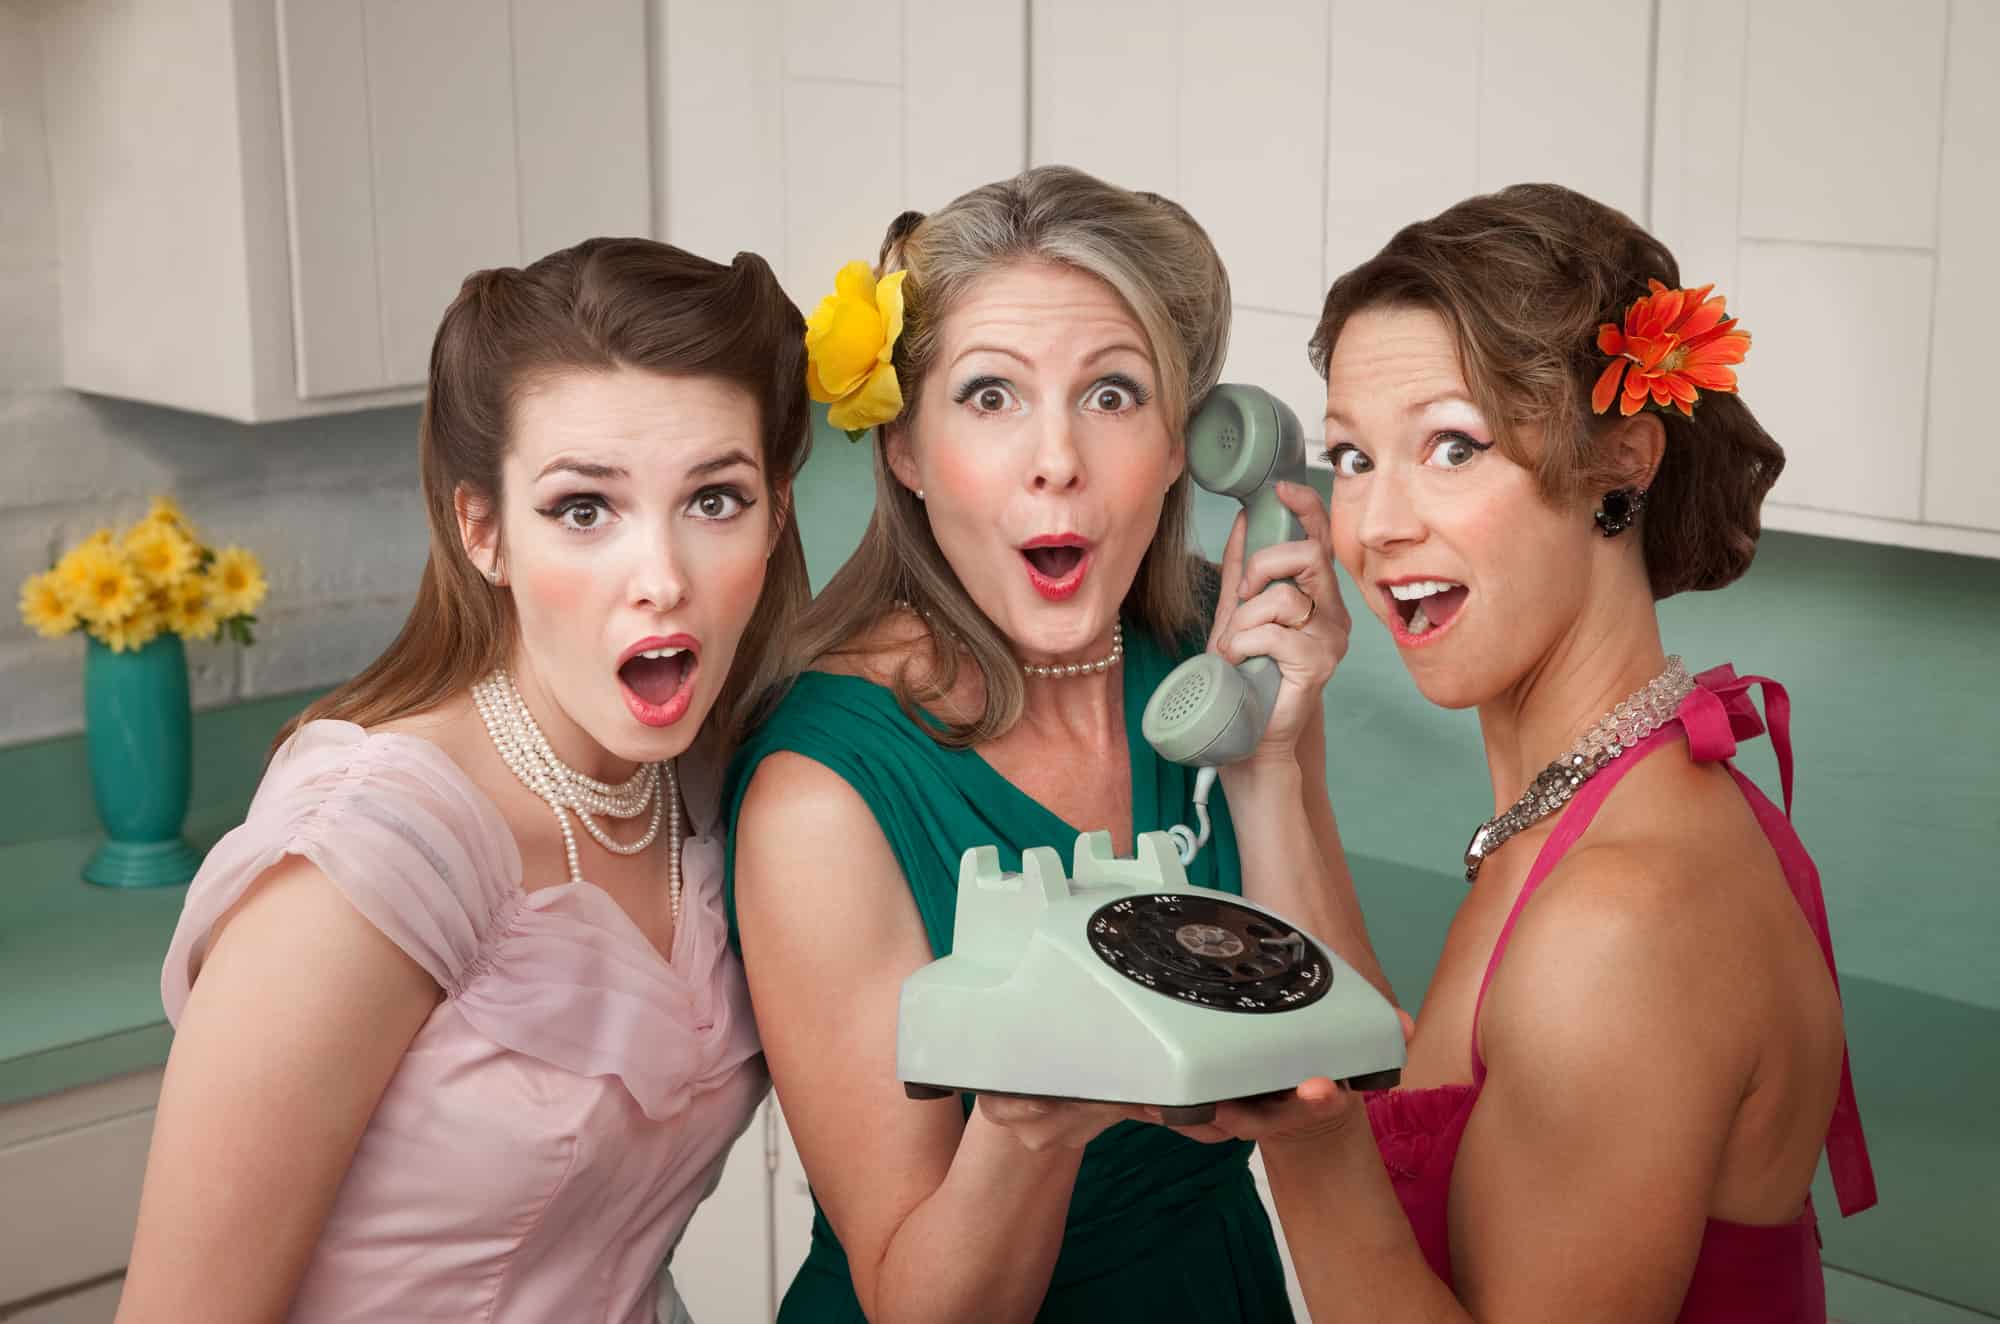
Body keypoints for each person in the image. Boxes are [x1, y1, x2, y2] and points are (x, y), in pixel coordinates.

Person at [1167, 183, 1876, 1321]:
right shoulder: (1597, 806)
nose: (1376, 525)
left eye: (1452, 445)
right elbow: (1425, 1112)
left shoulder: (1620, 921)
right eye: (1351, 457)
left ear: (1622, 465)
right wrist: (1274, 765)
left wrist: (1301, 1142)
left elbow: (1359, 1131)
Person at [723, 164, 1392, 1323]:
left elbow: (1351, 1087)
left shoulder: (1215, 663)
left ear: (1189, 440)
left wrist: (1269, 765)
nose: (1057, 461)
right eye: (988, 396)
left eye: (1113, 394)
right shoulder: (819, 793)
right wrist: (1030, 1118)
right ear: (905, 451)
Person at [118, 238, 813, 1324]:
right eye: (584, 509)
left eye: (713, 501)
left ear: (774, 513)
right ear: (481, 530)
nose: (662, 578)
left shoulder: (719, 789)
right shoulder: (367, 859)